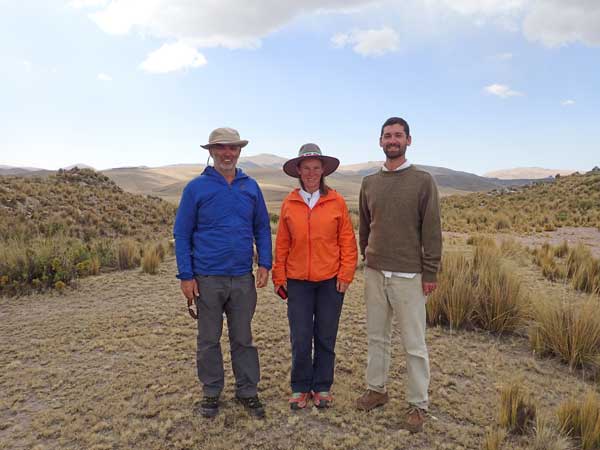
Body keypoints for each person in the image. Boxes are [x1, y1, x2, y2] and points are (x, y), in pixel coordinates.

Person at [173, 127, 272, 419]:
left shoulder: (250, 187)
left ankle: (247, 391)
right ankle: (211, 391)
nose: (227, 153)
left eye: (233, 148)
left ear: (239, 151)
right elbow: (182, 233)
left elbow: (261, 227)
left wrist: (265, 263)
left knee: (243, 339)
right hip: (206, 278)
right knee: (208, 340)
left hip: (242, 277)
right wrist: (186, 276)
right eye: (221, 148)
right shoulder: (196, 188)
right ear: (211, 151)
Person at [355, 117, 442, 433]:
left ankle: (418, 404)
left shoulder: (423, 181)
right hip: (375, 272)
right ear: (380, 141)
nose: (393, 140)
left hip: (409, 275)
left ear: (408, 140)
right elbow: (365, 226)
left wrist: (430, 271)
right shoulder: (369, 183)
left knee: (414, 344)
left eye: (398, 135)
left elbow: (431, 230)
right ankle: (376, 389)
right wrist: (367, 255)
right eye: (388, 136)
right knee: (376, 336)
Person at [272, 143, 358, 410]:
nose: (311, 173)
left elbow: (347, 241)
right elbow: (282, 243)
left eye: (316, 168)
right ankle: (300, 387)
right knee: (300, 337)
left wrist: (346, 273)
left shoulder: (336, 201)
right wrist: (279, 276)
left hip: (330, 281)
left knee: (325, 335)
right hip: (298, 281)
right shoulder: (290, 203)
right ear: (299, 171)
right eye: (306, 168)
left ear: (323, 171)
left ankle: (322, 386)